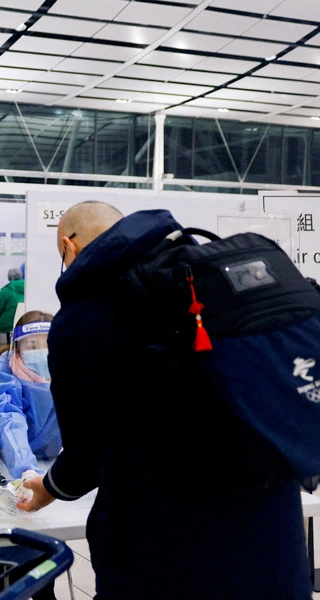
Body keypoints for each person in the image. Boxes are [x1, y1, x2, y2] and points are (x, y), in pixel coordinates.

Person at [18, 201, 310, 599]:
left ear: (68, 247)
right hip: (272, 529)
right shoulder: (205, 280)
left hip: (165, 543)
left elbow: (84, 458)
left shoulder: (82, 319)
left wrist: (47, 488)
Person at [0, 310, 61, 480]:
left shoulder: (67, 372)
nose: (42, 352)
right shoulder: (4, 377)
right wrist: (27, 470)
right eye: (32, 346)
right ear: (17, 349)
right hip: (4, 463)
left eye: (49, 343)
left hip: (52, 463)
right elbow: (9, 423)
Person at [0, 266, 25, 348]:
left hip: (9, 322)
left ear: (9, 278)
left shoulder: (6, 291)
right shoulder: (28, 288)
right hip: (24, 322)